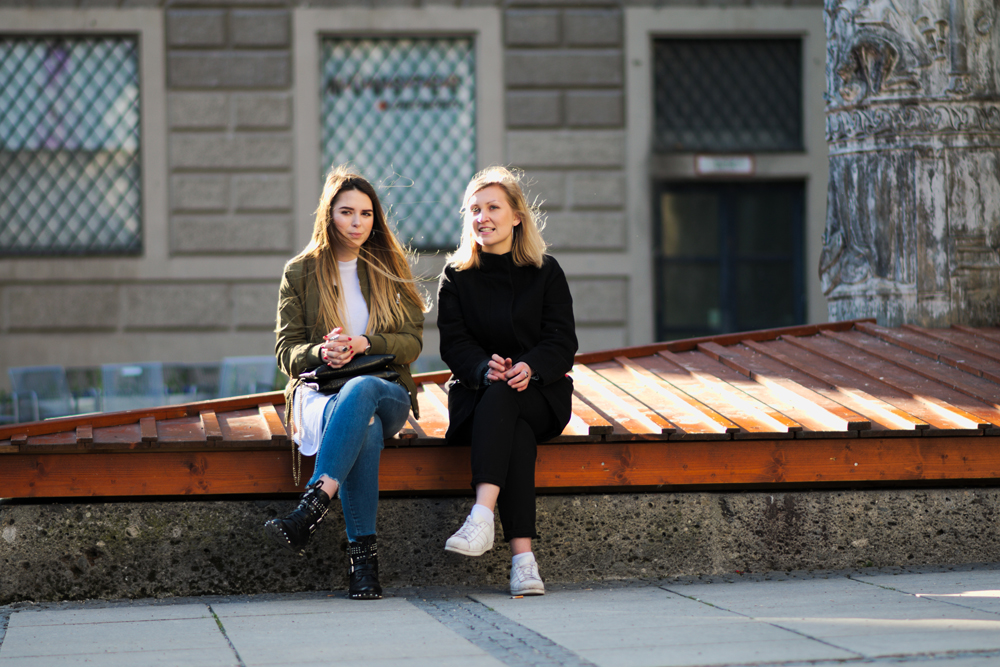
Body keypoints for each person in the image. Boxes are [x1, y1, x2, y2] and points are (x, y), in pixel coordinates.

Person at [265, 165, 424, 600]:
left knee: (362, 389)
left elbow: (412, 343)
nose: (357, 223)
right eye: (347, 212)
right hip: (322, 395)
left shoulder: (390, 266)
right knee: (364, 429)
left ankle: (313, 505)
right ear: (328, 215)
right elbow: (286, 351)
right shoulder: (300, 272)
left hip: (386, 390)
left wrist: (365, 343)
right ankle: (363, 566)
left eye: (366, 214)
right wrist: (322, 352)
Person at [437, 166, 578, 596]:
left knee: (511, 401)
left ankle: (482, 516)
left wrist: (530, 367)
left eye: (493, 208)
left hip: (542, 396)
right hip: (478, 398)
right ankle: (523, 562)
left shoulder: (545, 271)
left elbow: (562, 340)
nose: (482, 218)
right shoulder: (456, 275)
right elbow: (454, 344)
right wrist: (485, 368)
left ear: (517, 216)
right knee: (512, 425)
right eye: (474, 209)